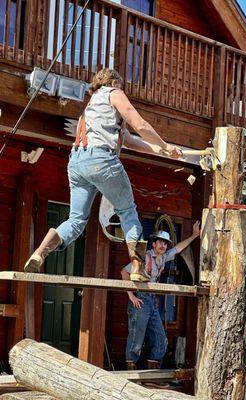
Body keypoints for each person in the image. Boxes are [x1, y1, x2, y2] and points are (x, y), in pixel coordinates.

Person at [24, 68, 182, 280]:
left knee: (76, 220)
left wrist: (160, 149)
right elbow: (140, 125)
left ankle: (40, 252)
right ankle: (137, 268)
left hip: (77, 163)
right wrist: (164, 144)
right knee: (127, 210)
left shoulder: (89, 110)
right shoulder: (113, 93)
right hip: (101, 160)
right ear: (114, 82)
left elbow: (129, 139)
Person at [121, 221, 201, 370]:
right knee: (136, 338)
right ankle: (131, 374)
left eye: (165, 244)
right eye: (160, 243)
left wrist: (194, 235)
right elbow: (124, 272)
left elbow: (178, 249)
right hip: (140, 298)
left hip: (152, 301)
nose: (163, 246)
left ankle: (152, 373)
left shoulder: (164, 258)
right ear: (154, 244)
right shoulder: (144, 256)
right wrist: (131, 295)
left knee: (160, 339)